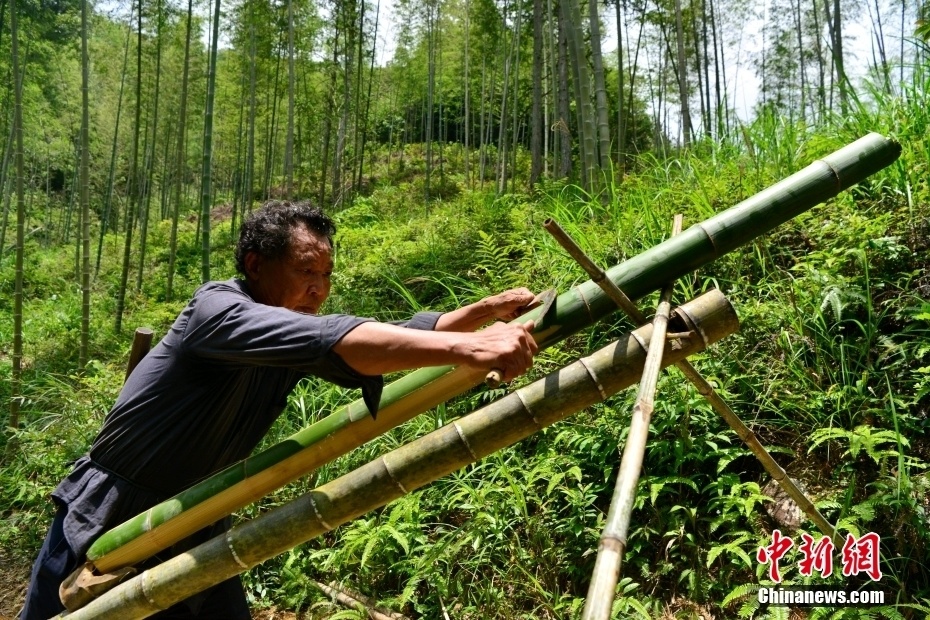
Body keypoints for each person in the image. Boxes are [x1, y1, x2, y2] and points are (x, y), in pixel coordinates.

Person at [21, 200, 539, 619]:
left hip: (198, 520)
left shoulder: (287, 331)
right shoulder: (218, 312)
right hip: (113, 520)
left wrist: (478, 314)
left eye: (327, 274)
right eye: (305, 270)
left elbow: (377, 338)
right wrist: (470, 348)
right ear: (255, 266)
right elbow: (333, 338)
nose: (319, 288)